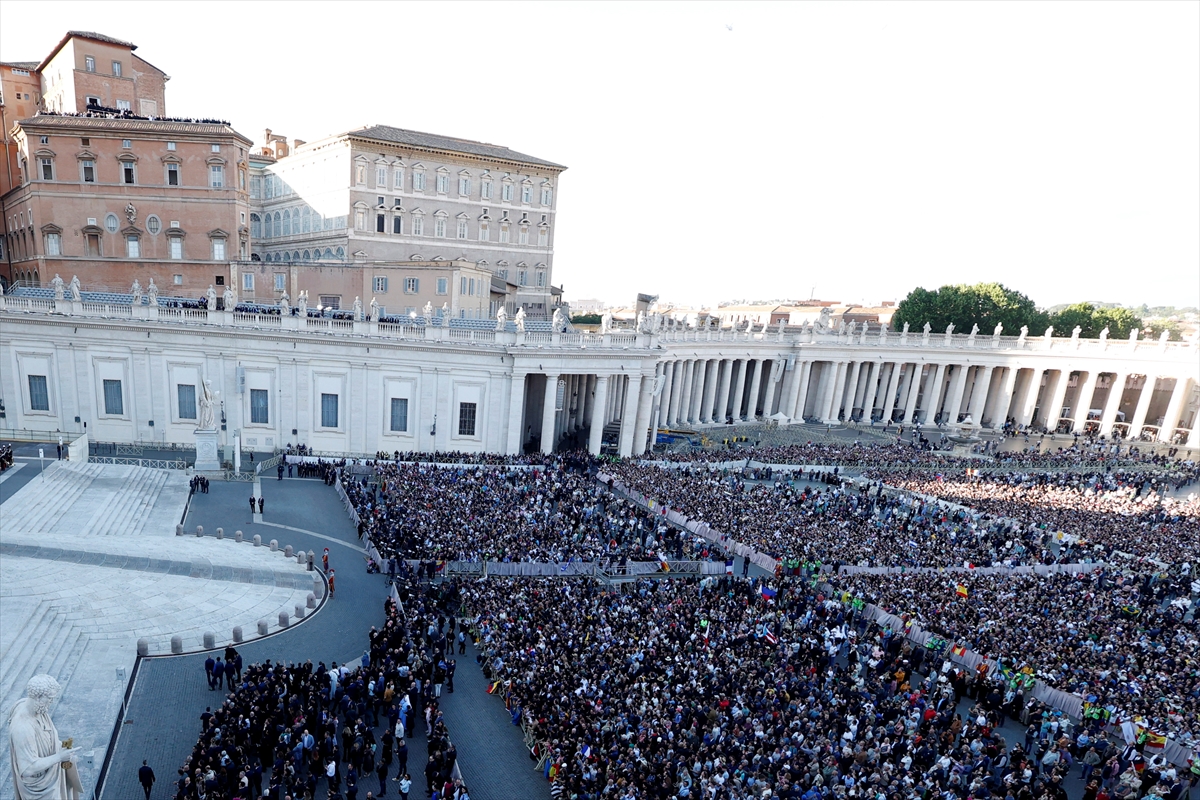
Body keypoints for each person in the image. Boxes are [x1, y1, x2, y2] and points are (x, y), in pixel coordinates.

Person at [8, 675, 80, 800]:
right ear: (38, 697)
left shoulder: (37, 708)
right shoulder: (22, 728)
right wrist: (59, 757)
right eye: (50, 698)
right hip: (40, 788)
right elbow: (28, 769)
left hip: (50, 773)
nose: (51, 702)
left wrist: (62, 748)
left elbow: (47, 735)